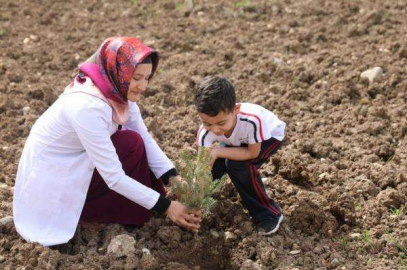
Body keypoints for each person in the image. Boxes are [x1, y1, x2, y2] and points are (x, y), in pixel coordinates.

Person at [13, 37, 201, 247]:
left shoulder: (116, 92)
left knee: (132, 142)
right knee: (129, 145)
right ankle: (87, 214)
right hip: (54, 179)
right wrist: (166, 206)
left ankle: (121, 208)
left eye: (147, 78)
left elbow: (144, 136)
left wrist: (173, 178)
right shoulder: (87, 107)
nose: (143, 86)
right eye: (136, 77)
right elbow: (113, 177)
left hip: (79, 160)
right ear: (117, 71)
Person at [195, 75, 286, 235]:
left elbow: (252, 152)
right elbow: (203, 167)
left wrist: (218, 151)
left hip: (268, 136)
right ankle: (208, 201)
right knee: (216, 163)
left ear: (236, 110)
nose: (215, 130)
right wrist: (194, 199)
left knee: (239, 166)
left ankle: (269, 213)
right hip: (238, 140)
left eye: (221, 123)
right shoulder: (204, 133)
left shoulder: (252, 121)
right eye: (208, 123)